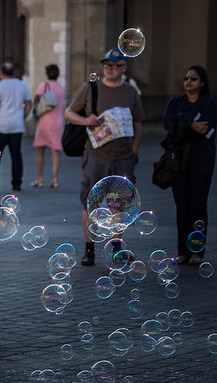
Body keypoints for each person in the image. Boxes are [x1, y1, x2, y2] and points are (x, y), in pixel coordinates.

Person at [65, 48, 145, 266]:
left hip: (123, 158)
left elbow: (138, 123)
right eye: (107, 65)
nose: (109, 68)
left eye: (115, 65)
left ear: (124, 68)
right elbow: (69, 113)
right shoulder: (91, 87)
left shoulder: (130, 92)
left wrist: (134, 152)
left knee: (119, 205)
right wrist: (86, 120)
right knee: (90, 203)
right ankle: (89, 249)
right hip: (96, 156)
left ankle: (116, 249)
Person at [162, 65, 216, 265]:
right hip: (178, 161)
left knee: (198, 204)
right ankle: (183, 251)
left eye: (193, 78)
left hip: (201, 161)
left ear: (202, 82)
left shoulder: (209, 103)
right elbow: (167, 123)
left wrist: (181, 123)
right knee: (181, 205)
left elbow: (206, 128)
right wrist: (191, 124)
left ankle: (197, 251)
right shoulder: (176, 101)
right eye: (186, 78)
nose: (188, 82)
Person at [0, 62, 32, 191]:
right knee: (16, 155)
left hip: (1, 125)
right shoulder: (22, 85)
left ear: (1, 74)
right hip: (17, 126)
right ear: (13, 73)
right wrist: (23, 116)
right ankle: (17, 183)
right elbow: (29, 103)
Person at [32, 64, 66, 188]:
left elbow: (36, 100)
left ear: (47, 74)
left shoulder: (44, 86)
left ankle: (39, 179)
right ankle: (54, 179)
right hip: (57, 122)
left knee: (40, 151)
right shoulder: (61, 88)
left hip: (44, 121)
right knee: (55, 151)